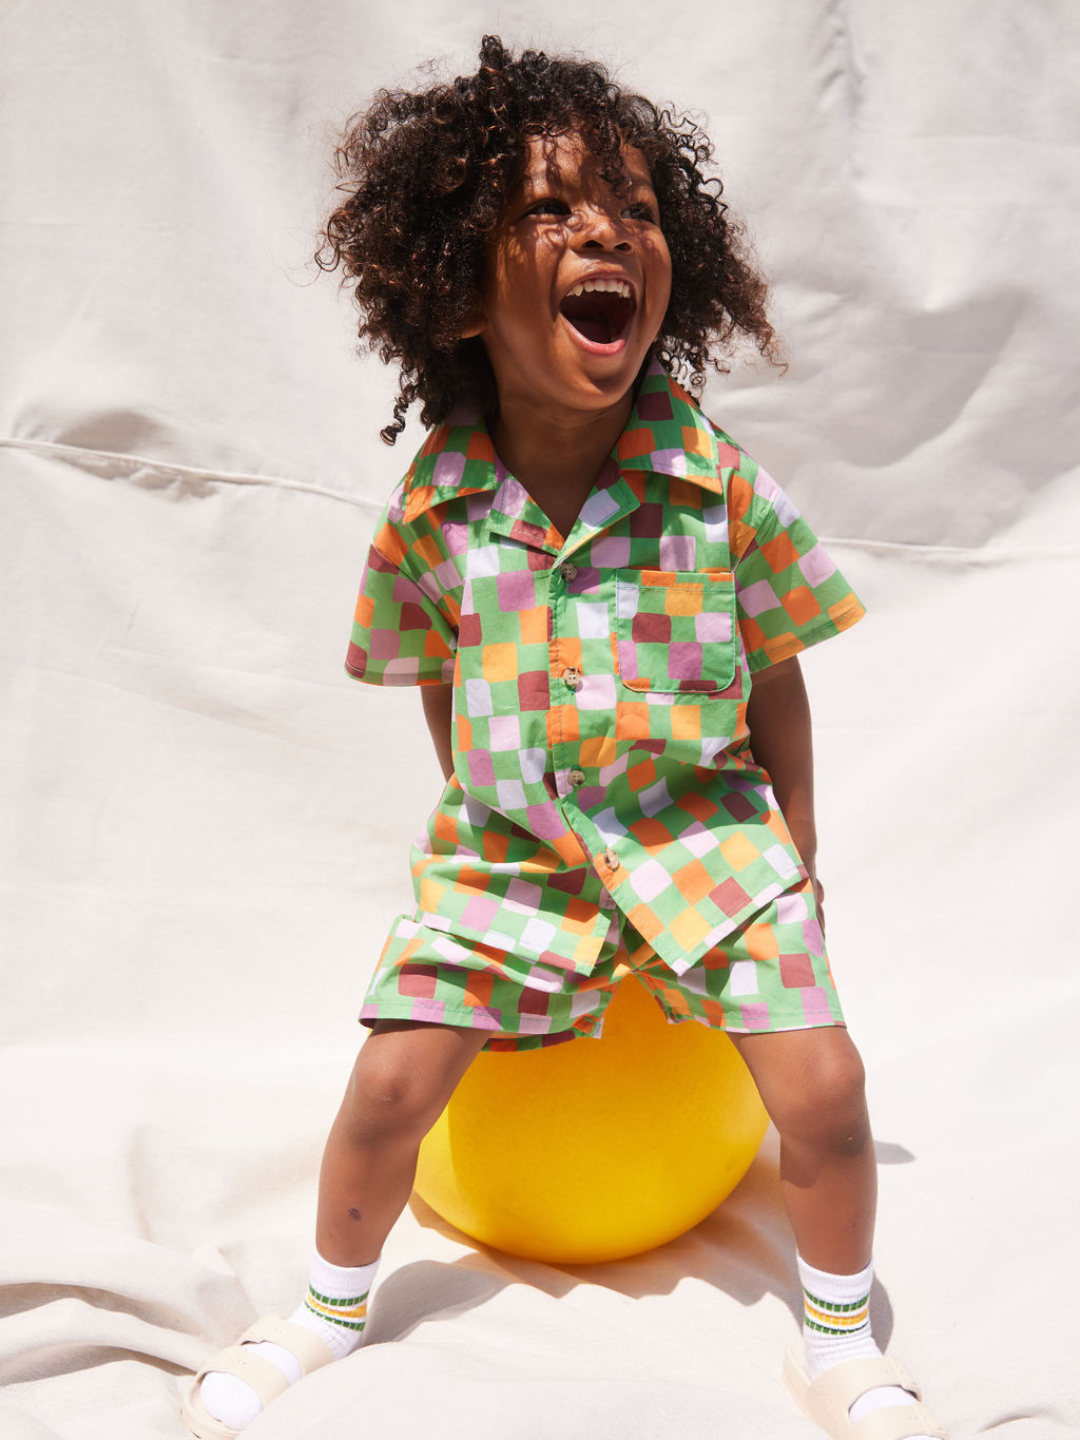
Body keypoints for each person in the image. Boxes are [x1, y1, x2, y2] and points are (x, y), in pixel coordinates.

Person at [181, 35, 947, 1440]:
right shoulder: (441, 502)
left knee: (828, 1089)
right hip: (514, 853)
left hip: (707, 834)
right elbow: (433, 668)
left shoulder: (711, 480)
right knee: (386, 1086)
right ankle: (325, 1309)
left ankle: (841, 1338)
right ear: (458, 291)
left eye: (639, 211)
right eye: (552, 212)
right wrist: (479, 813)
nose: (608, 230)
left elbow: (776, 665)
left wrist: (799, 844)